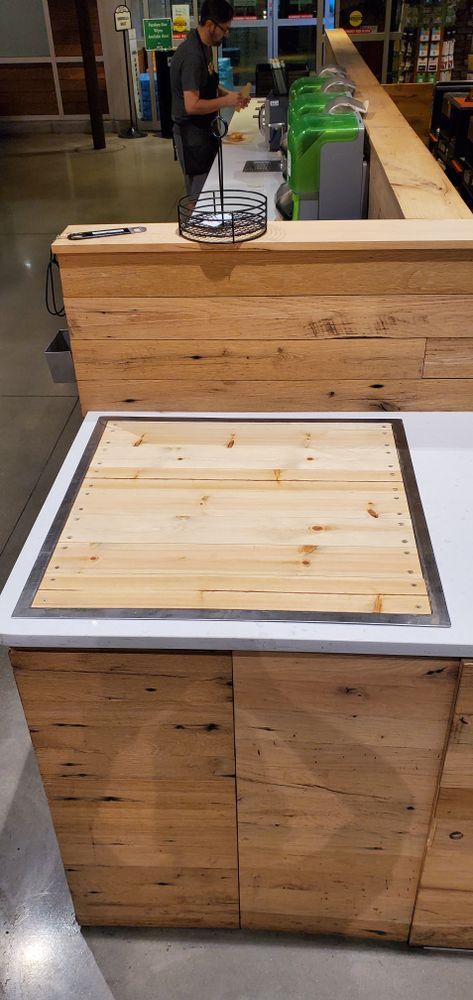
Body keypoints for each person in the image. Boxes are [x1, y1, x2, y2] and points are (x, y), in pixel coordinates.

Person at [170, 0, 250, 202]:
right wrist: (226, 102)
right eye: (225, 29)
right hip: (191, 135)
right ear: (210, 25)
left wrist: (230, 96)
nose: (227, 34)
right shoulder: (192, 55)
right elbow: (192, 105)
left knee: (210, 187)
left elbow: (208, 86)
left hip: (204, 129)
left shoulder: (204, 47)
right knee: (199, 196)